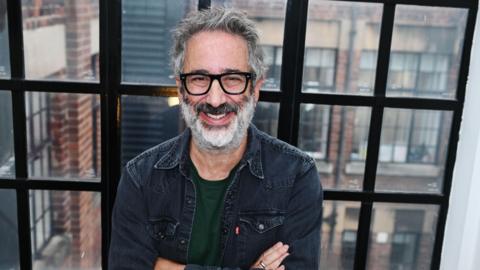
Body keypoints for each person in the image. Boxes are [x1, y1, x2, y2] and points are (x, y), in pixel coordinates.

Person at [109, 7, 323, 270]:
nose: (215, 99)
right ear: (180, 87)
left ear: (255, 89)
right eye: (199, 78)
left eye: (232, 79)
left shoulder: (297, 176)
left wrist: (166, 267)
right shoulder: (140, 179)